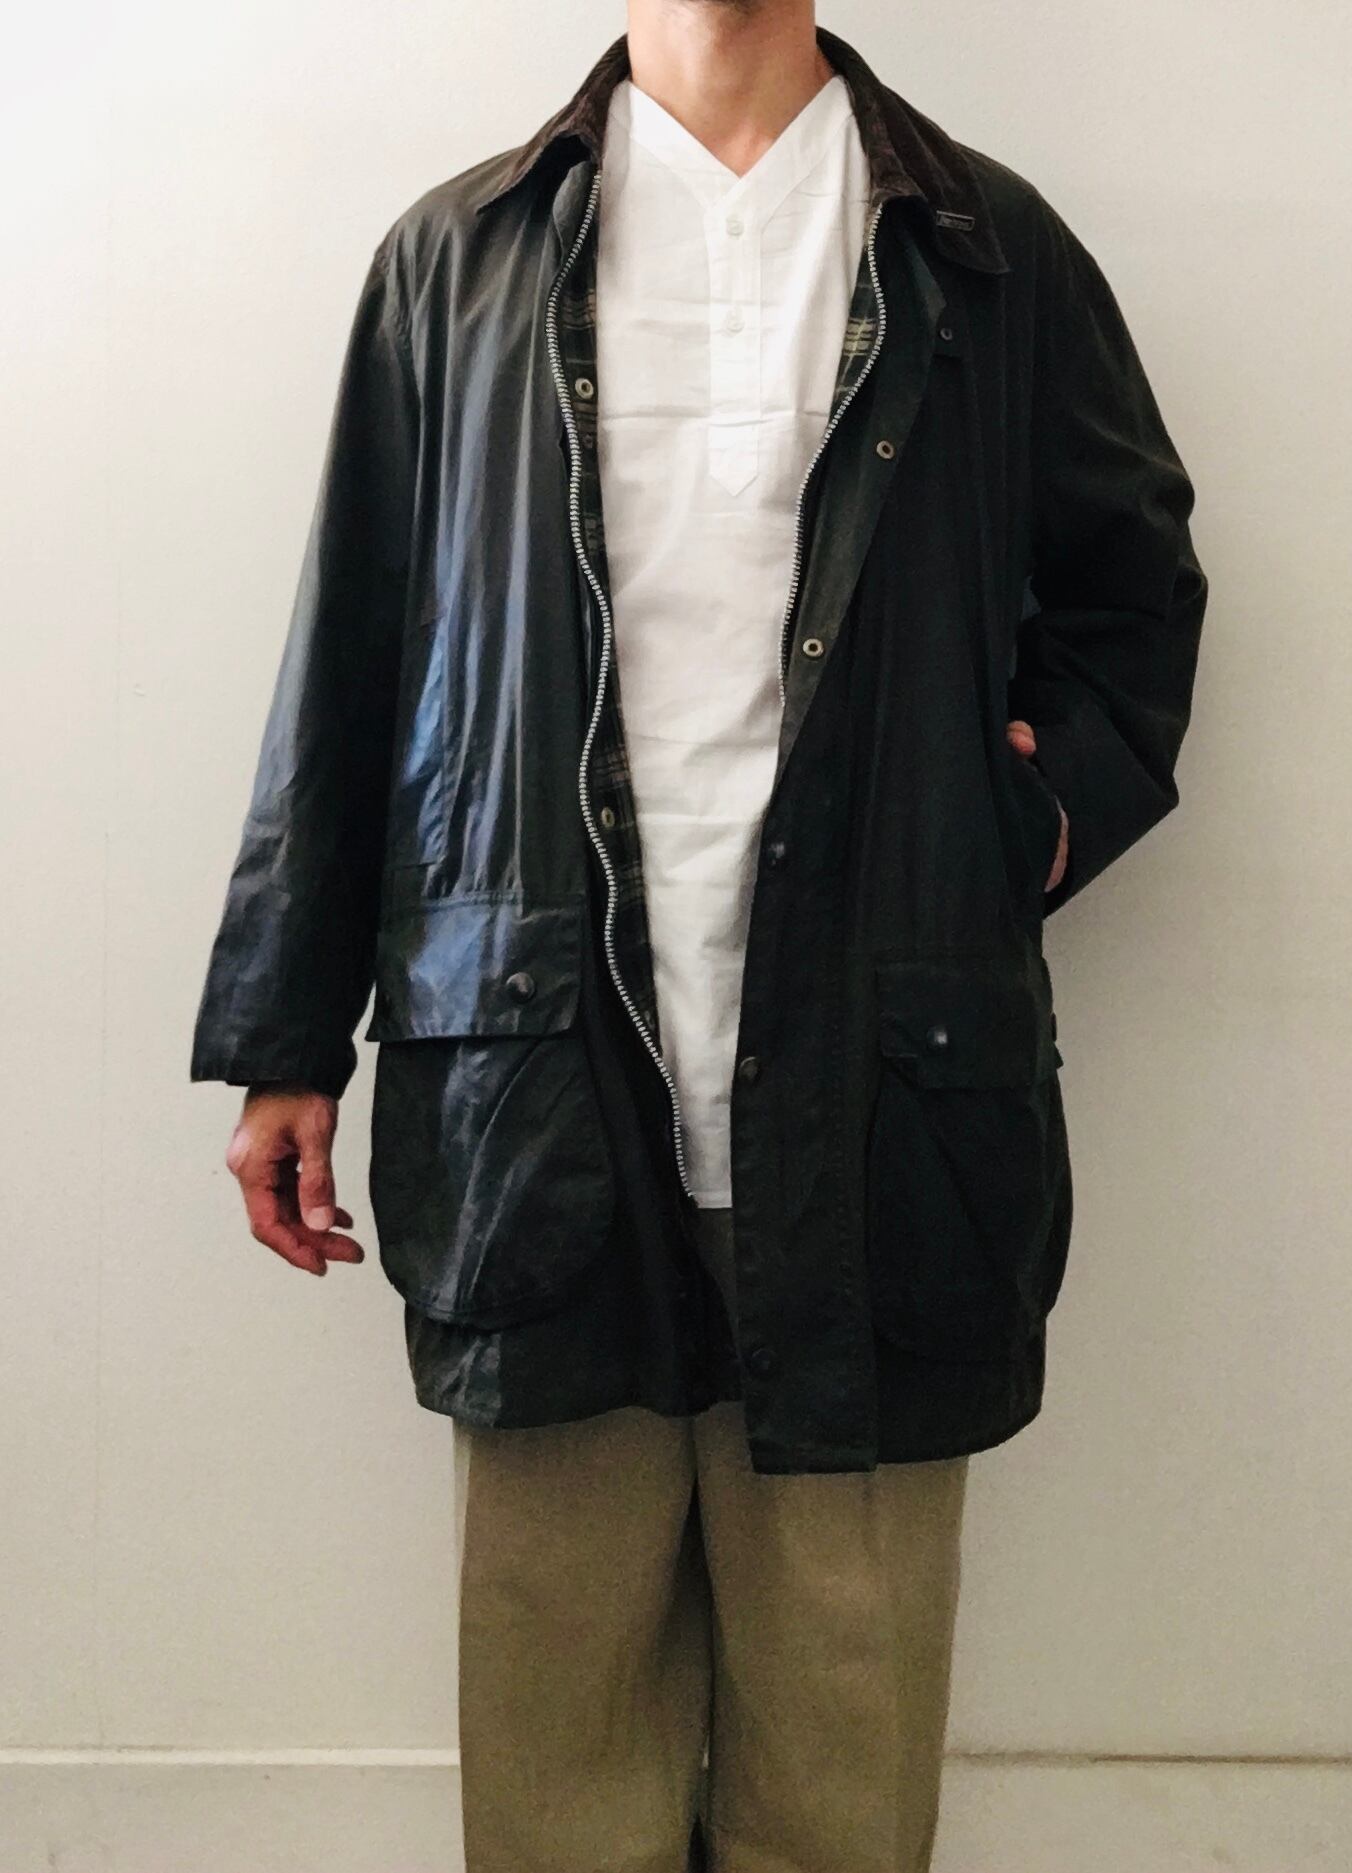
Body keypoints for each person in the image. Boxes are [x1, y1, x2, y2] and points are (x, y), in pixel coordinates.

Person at [191, 4, 1207, 1868]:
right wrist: (282, 1029)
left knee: (843, 1738)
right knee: (557, 1729)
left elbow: (1131, 592)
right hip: (538, 1083)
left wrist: (1028, 814)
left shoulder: (982, 247)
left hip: (883, 1082)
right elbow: (354, 654)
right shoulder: (459, 258)